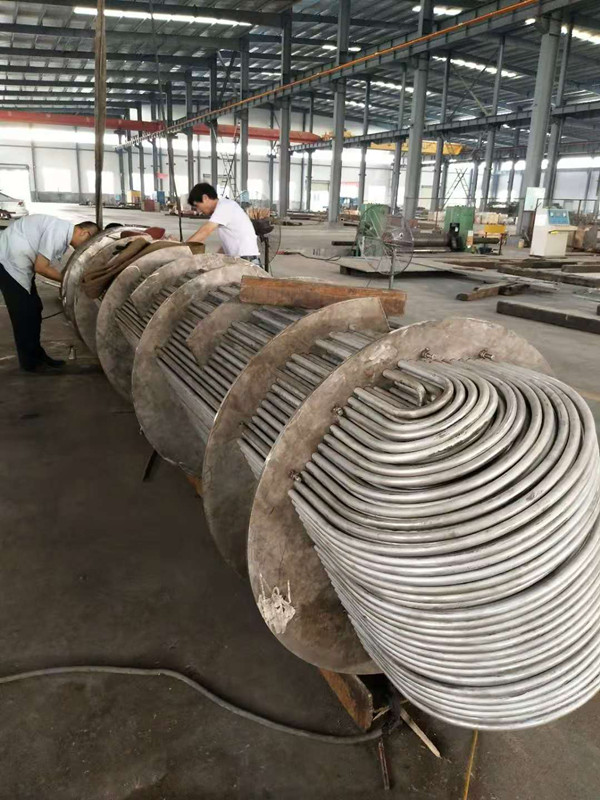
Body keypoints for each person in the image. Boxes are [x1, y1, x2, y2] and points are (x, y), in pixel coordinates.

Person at [0, 215, 99, 372]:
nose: (84, 248)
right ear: (84, 233)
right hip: (8, 263)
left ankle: (38, 355)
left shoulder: (62, 232)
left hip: (18, 262)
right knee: (24, 314)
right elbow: (41, 267)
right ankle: (31, 363)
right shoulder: (59, 232)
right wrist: (69, 281)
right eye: (87, 243)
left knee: (34, 308)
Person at [186, 183, 262, 267]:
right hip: (242, 260)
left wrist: (181, 249)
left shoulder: (224, 206)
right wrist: (214, 259)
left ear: (205, 198)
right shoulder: (225, 207)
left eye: (197, 206)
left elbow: (204, 232)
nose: (198, 211)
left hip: (246, 263)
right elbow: (228, 244)